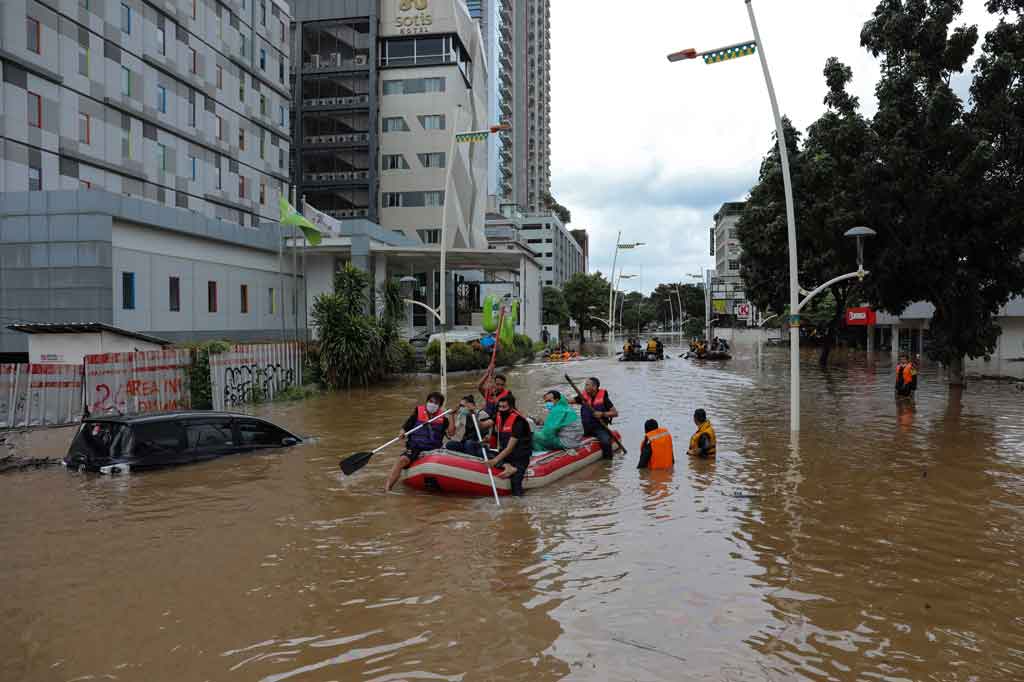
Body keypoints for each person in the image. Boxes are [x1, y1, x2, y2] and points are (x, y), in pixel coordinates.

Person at [385, 392, 457, 491]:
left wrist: (452, 416)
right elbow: (405, 428)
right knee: (402, 460)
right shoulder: (417, 413)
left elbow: (451, 433)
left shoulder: (443, 418)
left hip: (433, 450)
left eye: (436, 403)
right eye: (430, 401)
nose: (432, 404)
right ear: (427, 402)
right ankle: (387, 488)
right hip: (415, 447)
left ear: (439, 406)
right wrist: (401, 433)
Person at [484, 394, 533, 496]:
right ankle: (507, 466)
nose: (501, 409)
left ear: (511, 407)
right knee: (480, 450)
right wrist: (473, 414)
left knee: (515, 484)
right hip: (506, 456)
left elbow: (510, 448)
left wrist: (495, 460)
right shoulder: (499, 415)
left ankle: (518, 508)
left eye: (504, 407)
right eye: (499, 407)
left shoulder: (518, 421)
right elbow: (483, 425)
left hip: (519, 457)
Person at [570, 377, 619, 458]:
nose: (585, 387)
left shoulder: (604, 398)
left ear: (594, 387)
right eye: (585, 385)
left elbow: (615, 413)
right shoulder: (583, 397)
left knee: (606, 442)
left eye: (587, 385)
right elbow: (569, 401)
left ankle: (608, 464)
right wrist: (555, 399)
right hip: (585, 427)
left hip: (599, 428)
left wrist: (602, 414)